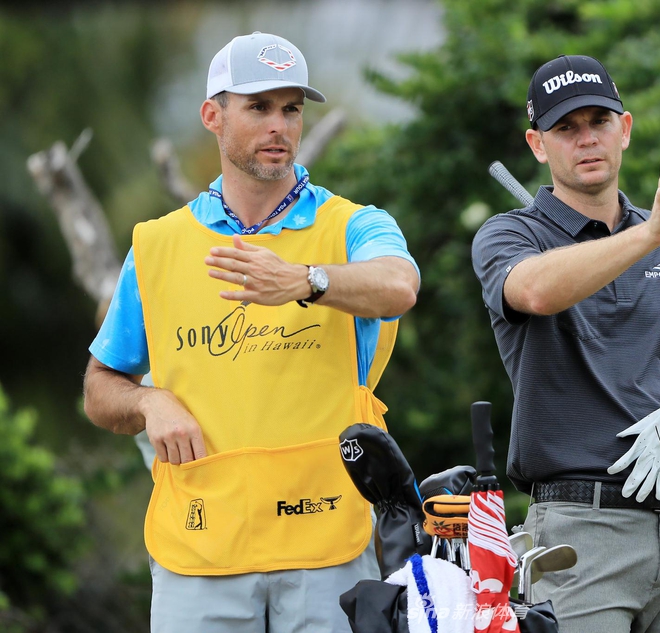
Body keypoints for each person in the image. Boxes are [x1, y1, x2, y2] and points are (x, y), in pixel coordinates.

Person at [82, 32, 419, 633]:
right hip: (200, 548)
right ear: (213, 115)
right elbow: (100, 388)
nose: (279, 127)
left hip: (329, 544)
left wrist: (305, 280)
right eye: (258, 107)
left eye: (291, 109)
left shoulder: (354, 225)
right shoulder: (157, 245)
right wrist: (148, 400)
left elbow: (399, 285)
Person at [472, 54, 660, 632]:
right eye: (566, 127)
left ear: (626, 129)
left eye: (599, 121)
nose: (586, 139)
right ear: (538, 144)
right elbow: (535, 291)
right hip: (581, 532)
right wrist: (649, 235)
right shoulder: (509, 235)